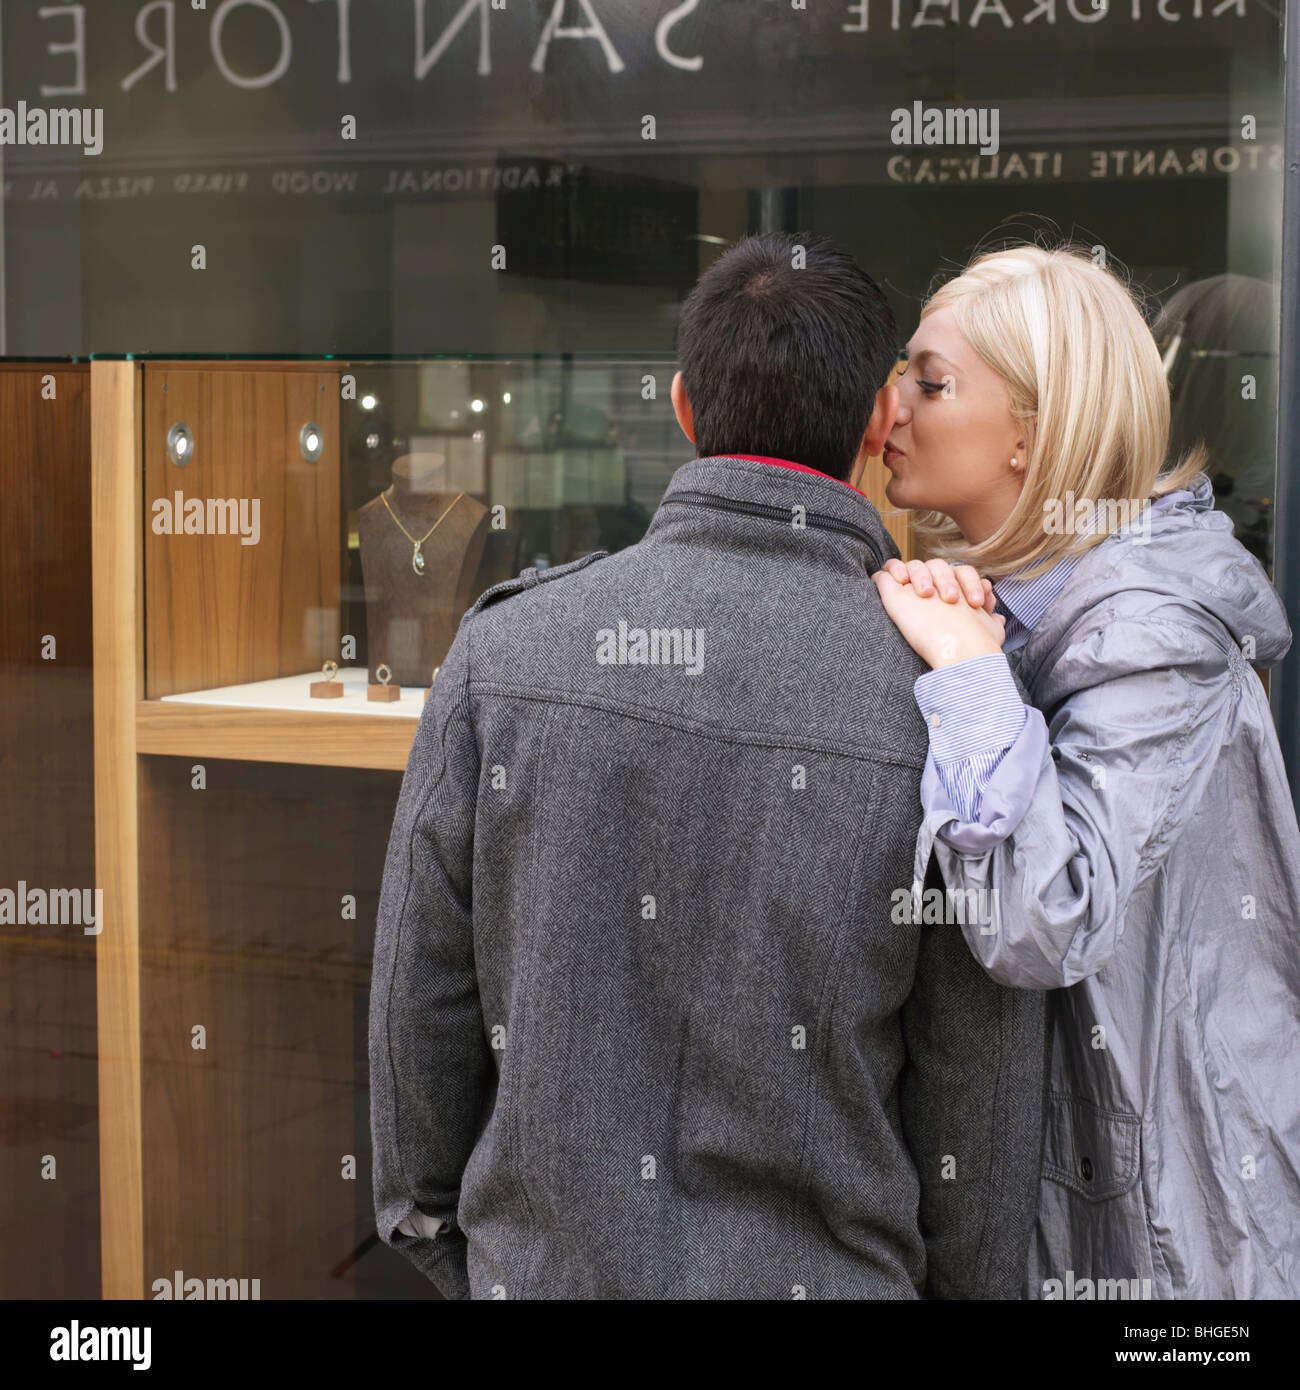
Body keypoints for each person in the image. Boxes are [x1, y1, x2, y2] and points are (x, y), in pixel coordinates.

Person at [368, 230, 1047, 1300]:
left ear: (684, 406)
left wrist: (464, 1250)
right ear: (877, 420)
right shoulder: (950, 704)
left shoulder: (506, 651)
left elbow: (424, 1010)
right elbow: (981, 1091)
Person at [871, 242, 1300, 1299]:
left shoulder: (1147, 630)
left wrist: (972, 674)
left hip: (1172, 1232)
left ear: (1033, 425)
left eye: (929, 382)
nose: (892, 409)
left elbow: (1043, 917)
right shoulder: (1001, 602)